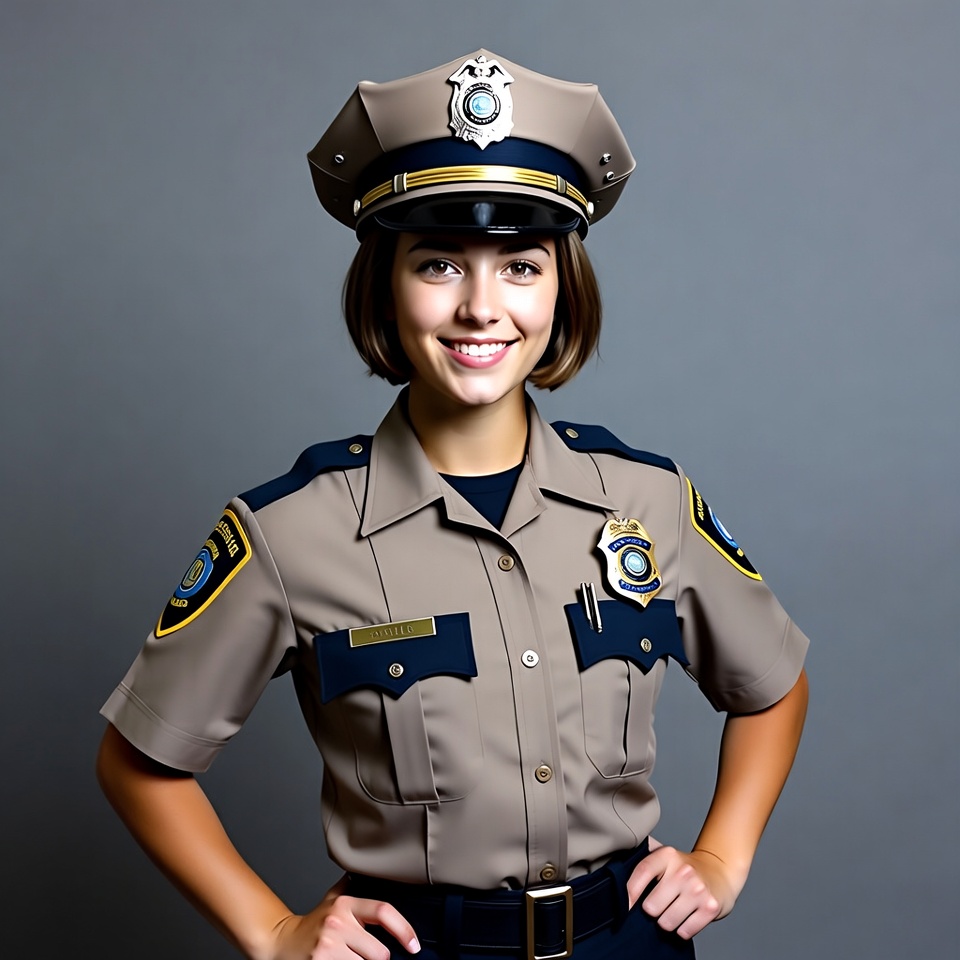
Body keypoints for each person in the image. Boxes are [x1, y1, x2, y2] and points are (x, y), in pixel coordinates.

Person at [97, 50, 809, 960]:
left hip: (625, 942)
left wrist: (722, 856)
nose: (481, 308)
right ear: (385, 287)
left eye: (521, 266)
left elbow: (773, 684)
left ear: (563, 287)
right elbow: (138, 762)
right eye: (438, 264)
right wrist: (273, 932)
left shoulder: (647, 498)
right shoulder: (290, 533)